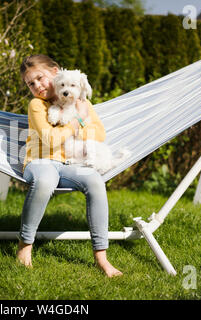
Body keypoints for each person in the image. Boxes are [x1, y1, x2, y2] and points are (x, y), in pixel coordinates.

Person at [17, 54, 122, 278]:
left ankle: (101, 257)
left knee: (94, 181)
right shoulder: (37, 105)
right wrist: (78, 121)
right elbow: (50, 140)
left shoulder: (83, 103)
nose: (37, 86)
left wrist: (78, 120)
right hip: (39, 161)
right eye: (30, 83)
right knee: (45, 181)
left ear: (56, 73)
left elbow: (99, 134)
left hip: (69, 163)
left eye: (40, 78)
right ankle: (25, 246)